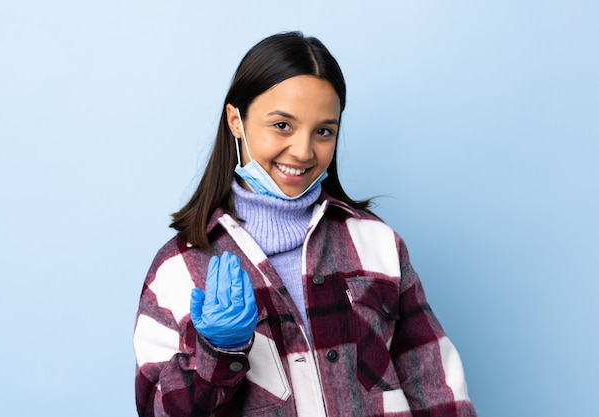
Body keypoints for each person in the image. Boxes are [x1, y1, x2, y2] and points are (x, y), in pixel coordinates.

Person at [133, 31, 477, 417]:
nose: (303, 151)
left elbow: (434, 384)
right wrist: (216, 352)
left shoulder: (377, 244)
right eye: (282, 125)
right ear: (236, 121)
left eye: (323, 131)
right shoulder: (177, 270)